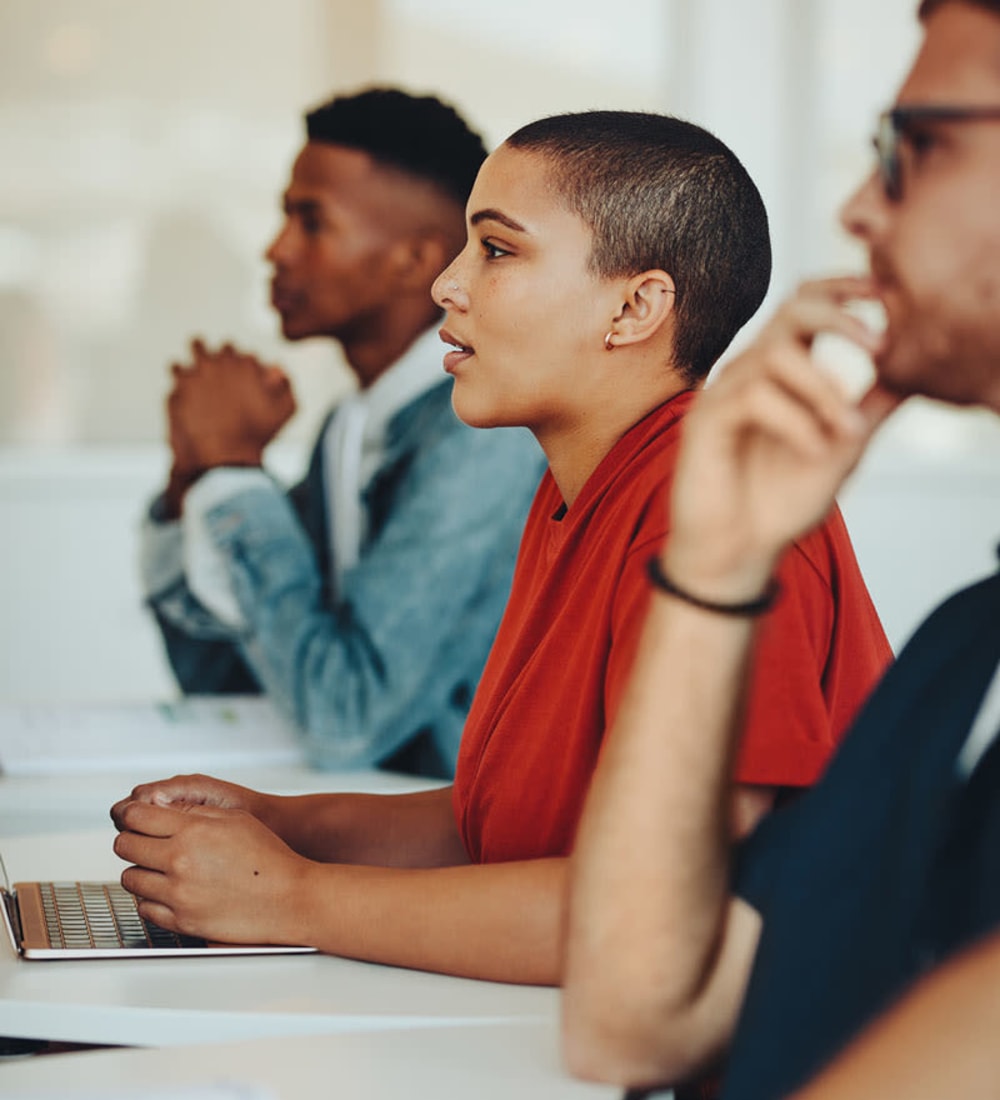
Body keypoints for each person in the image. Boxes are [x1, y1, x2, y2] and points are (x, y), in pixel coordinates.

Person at [110, 109, 887, 985]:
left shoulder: (716, 515)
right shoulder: (577, 488)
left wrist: (292, 898)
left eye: (497, 250)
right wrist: (285, 826)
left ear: (635, 306)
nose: (447, 286)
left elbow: (660, 914)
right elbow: (504, 823)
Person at [562, 1, 1000, 1097]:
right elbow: (631, 1022)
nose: (859, 208)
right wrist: (714, 567)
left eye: (914, 151)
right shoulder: (967, 646)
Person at [139, 87, 545, 778]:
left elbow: (344, 720)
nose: (276, 249)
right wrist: (193, 480)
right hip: (363, 827)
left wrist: (234, 470)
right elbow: (227, 680)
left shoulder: (484, 437)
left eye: (312, 221)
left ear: (416, 263)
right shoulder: (350, 428)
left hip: (466, 857)